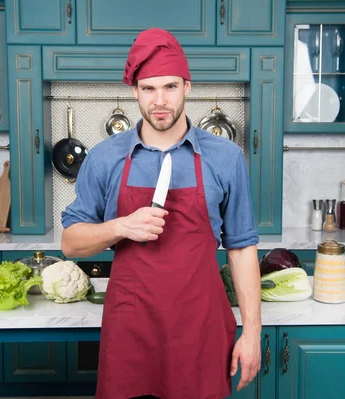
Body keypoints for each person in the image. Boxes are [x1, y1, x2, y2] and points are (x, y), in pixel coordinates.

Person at [61, 27, 261, 399]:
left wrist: (252, 334)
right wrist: (121, 226)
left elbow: (241, 248)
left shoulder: (225, 157)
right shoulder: (105, 157)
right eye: (149, 88)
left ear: (188, 86)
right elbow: (71, 243)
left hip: (200, 325)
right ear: (134, 91)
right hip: (131, 327)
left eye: (170, 87)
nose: (160, 100)